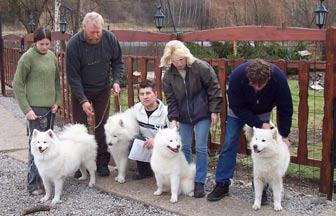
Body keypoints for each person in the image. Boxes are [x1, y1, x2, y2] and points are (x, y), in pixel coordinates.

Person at [207, 58, 293, 203]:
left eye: (262, 85)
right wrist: (257, 123)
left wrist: (284, 134)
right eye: (254, 85)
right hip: (238, 111)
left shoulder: (279, 79)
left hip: (262, 111)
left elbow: (286, 107)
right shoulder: (237, 77)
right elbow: (236, 105)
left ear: (269, 78)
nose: (258, 88)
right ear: (248, 78)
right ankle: (222, 183)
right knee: (229, 142)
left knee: (263, 148)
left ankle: (261, 188)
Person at [160, 40, 223, 198]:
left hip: (202, 113)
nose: (179, 63)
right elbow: (171, 99)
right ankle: (188, 177)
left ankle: (200, 181)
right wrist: (173, 119)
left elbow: (213, 88)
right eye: (175, 61)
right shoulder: (168, 76)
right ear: (170, 61)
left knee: (201, 147)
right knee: (185, 147)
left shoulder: (200, 67)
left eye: (181, 60)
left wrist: (214, 111)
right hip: (183, 116)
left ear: (186, 56)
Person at [65, 11, 124, 177]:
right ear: (84, 28)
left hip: (103, 89)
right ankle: (78, 164)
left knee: (102, 126)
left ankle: (102, 162)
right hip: (81, 89)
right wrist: (83, 100)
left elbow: (118, 62)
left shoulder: (110, 39)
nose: (96, 35)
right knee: (80, 128)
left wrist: (117, 81)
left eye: (99, 31)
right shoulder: (74, 45)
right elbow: (73, 76)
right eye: (93, 32)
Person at [13, 27, 61, 195]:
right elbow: (17, 84)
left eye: (48, 44)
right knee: (36, 147)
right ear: (35, 42)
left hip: (50, 109)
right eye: (41, 44)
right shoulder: (27, 58)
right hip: (35, 109)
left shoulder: (52, 57)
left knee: (48, 146)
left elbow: (57, 81)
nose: (45, 47)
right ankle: (33, 184)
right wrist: (26, 109)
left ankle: (45, 181)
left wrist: (57, 101)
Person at [128, 79, 169, 180]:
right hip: (145, 144)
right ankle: (145, 171)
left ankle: (164, 171)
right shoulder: (137, 108)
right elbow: (125, 121)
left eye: (148, 93)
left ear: (155, 94)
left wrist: (156, 141)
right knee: (132, 139)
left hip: (161, 146)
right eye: (142, 94)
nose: (145, 97)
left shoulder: (166, 112)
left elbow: (173, 135)